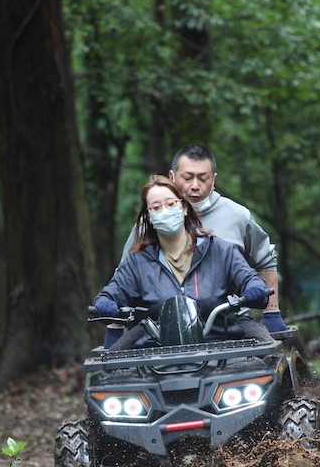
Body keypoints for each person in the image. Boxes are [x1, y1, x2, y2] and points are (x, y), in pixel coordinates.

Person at [107, 145, 286, 348]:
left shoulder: (235, 220)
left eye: (203, 178)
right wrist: (114, 327)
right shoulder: (148, 226)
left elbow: (264, 260)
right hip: (157, 326)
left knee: (268, 353)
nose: (195, 186)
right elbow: (123, 281)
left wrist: (272, 312)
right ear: (172, 177)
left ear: (214, 179)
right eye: (187, 178)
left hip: (225, 320)